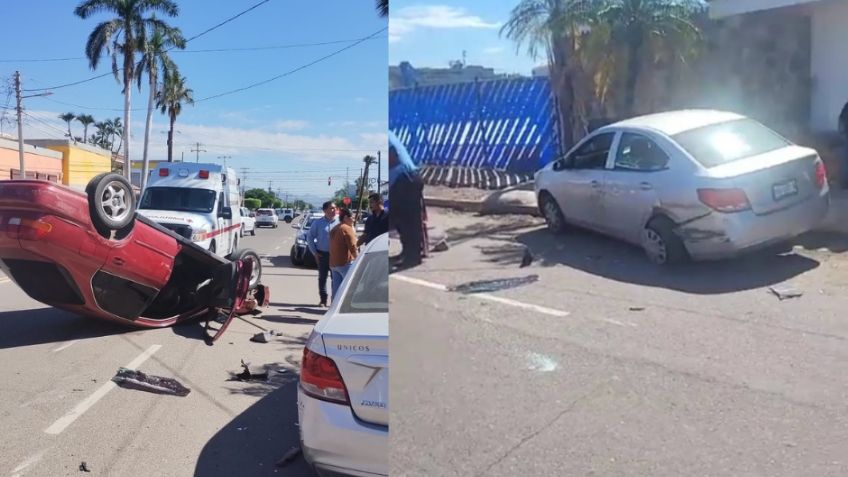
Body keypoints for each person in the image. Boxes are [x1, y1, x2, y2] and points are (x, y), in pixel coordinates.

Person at [389, 140, 428, 269]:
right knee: (402, 221)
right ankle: (409, 252)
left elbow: (392, 156)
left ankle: (413, 257)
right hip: (405, 179)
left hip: (404, 180)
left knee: (408, 222)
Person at [306, 201, 338, 307]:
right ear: (325, 210)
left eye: (335, 208)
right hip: (322, 255)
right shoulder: (318, 223)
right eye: (331, 208)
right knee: (322, 278)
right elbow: (310, 237)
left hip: (337, 256)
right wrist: (314, 252)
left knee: (336, 279)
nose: (333, 210)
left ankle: (335, 301)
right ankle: (323, 300)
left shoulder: (340, 222)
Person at [329, 208, 358, 301]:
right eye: (352, 218)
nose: (354, 220)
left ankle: (333, 308)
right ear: (346, 217)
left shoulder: (336, 228)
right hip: (345, 263)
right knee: (350, 287)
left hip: (334, 263)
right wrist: (358, 261)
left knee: (336, 289)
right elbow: (353, 247)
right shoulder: (347, 229)